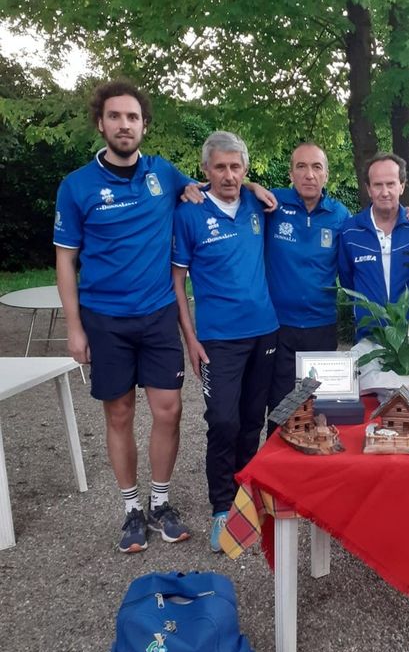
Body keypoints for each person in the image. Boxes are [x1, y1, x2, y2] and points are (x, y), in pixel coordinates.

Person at [54, 79, 193, 553]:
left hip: (157, 314)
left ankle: (161, 502)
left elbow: (214, 188)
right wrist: (74, 328)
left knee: (169, 410)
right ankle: (132, 509)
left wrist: (252, 185)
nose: (124, 124)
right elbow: (65, 261)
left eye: (132, 117)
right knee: (119, 413)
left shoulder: (163, 173)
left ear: (144, 126)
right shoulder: (76, 186)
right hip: (105, 319)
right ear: (101, 123)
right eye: (115, 116)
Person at [172, 131, 279, 552]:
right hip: (218, 339)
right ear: (205, 170)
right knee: (222, 421)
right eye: (220, 167)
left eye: (236, 167)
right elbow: (177, 283)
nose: (229, 175)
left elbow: (265, 192)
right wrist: (190, 339)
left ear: (245, 169)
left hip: (264, 331)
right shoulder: (190, 212)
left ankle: (245, 500)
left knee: (252, 420)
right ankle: (221, 508)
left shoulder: (257, 203)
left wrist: (253, 186)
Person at [264, 143, 351, 421]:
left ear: (326, 174)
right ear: (291, 173)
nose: (309, 174)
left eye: (316, 167)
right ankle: (277, 450)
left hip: (321, 326)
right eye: (301, 167)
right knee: (279, 406)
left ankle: (317, 449)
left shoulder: (340, 215)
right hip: (277, 325)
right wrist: (252, 186)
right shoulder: (272, 204)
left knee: (318, 406)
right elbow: (234, 193)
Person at [338, 152, 409, 336]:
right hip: (368, 336)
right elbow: (348, 282)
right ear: (368, 189)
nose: (385, 192)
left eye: (391, 184)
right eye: (378, 185)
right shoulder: (350, 231)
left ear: (402, 186)